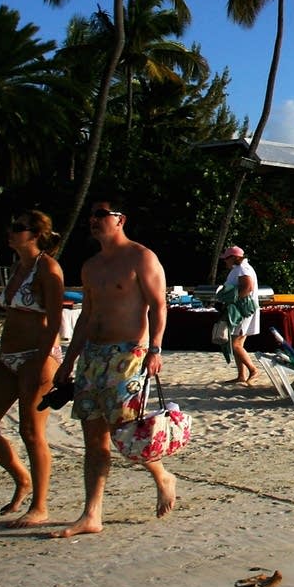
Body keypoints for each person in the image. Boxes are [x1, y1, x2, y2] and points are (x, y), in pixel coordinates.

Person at [51, 198, 175, 537]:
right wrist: (70, 359)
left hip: (128, 355)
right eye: (92, 215)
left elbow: (158, 306)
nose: (93, 220)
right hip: (93, 355)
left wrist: (155, 349)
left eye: (101, 215)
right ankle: (91, 514)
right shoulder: (91, 266)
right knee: (93, 436)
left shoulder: (141, 257)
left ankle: (162, 476)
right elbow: (86, 316)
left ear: (120, 219)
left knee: (125, 431)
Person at [0, 210, 65, 527]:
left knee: (31, 432)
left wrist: (40, 360)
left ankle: (40, 505)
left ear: (35, 234)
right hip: (7, 355)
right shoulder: (17, 267)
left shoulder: (47, 269)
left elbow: (55, 320)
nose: (11, 232)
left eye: (18, 228)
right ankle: (21, 478)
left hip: (37, 355)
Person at [219, 246, 260, 384]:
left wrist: (233, 300)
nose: (225, 261)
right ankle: (241, 375)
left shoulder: (243, 268)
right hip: (241, 308)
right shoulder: (239, 268)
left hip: (243, 309)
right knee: (236, 342)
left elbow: (248, 287)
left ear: (234, 258)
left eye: (226, 259)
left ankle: (253, 370)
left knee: (236, 343)